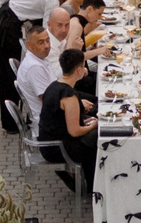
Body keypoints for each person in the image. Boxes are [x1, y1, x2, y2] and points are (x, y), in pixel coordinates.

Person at [39, 47, 99, 192]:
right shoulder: (68, 96)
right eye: (83, 66)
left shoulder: (55, 85)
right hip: (58, 147)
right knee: (97, 139)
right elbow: (74, 131)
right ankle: (92, 186)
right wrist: (94, 125)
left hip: (49, 141)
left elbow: (60, 119)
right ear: (79, 70)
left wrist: (85, 122)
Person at [13, 23, 59, 136]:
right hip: (49, 126)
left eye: (48, 40)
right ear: (28, 45)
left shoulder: (40, 58)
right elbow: (49, 100)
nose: (47, 45)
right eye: (41, 42)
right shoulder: (34, 67)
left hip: (52, 118)